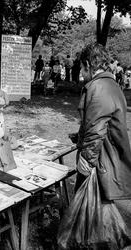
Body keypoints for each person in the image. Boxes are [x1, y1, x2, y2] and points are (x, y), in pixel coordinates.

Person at [75, 43, 131, 231]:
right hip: (104, 155)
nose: (82, 74)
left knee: (91, 208)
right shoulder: (110, 85)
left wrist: (87, 159)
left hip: (101, 159)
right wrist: (79, 136)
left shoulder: (99, 87)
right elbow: (101, 122)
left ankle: (87, 240)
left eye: (82, 68)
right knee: (95, 207)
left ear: (89, 64)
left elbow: (97, 128)